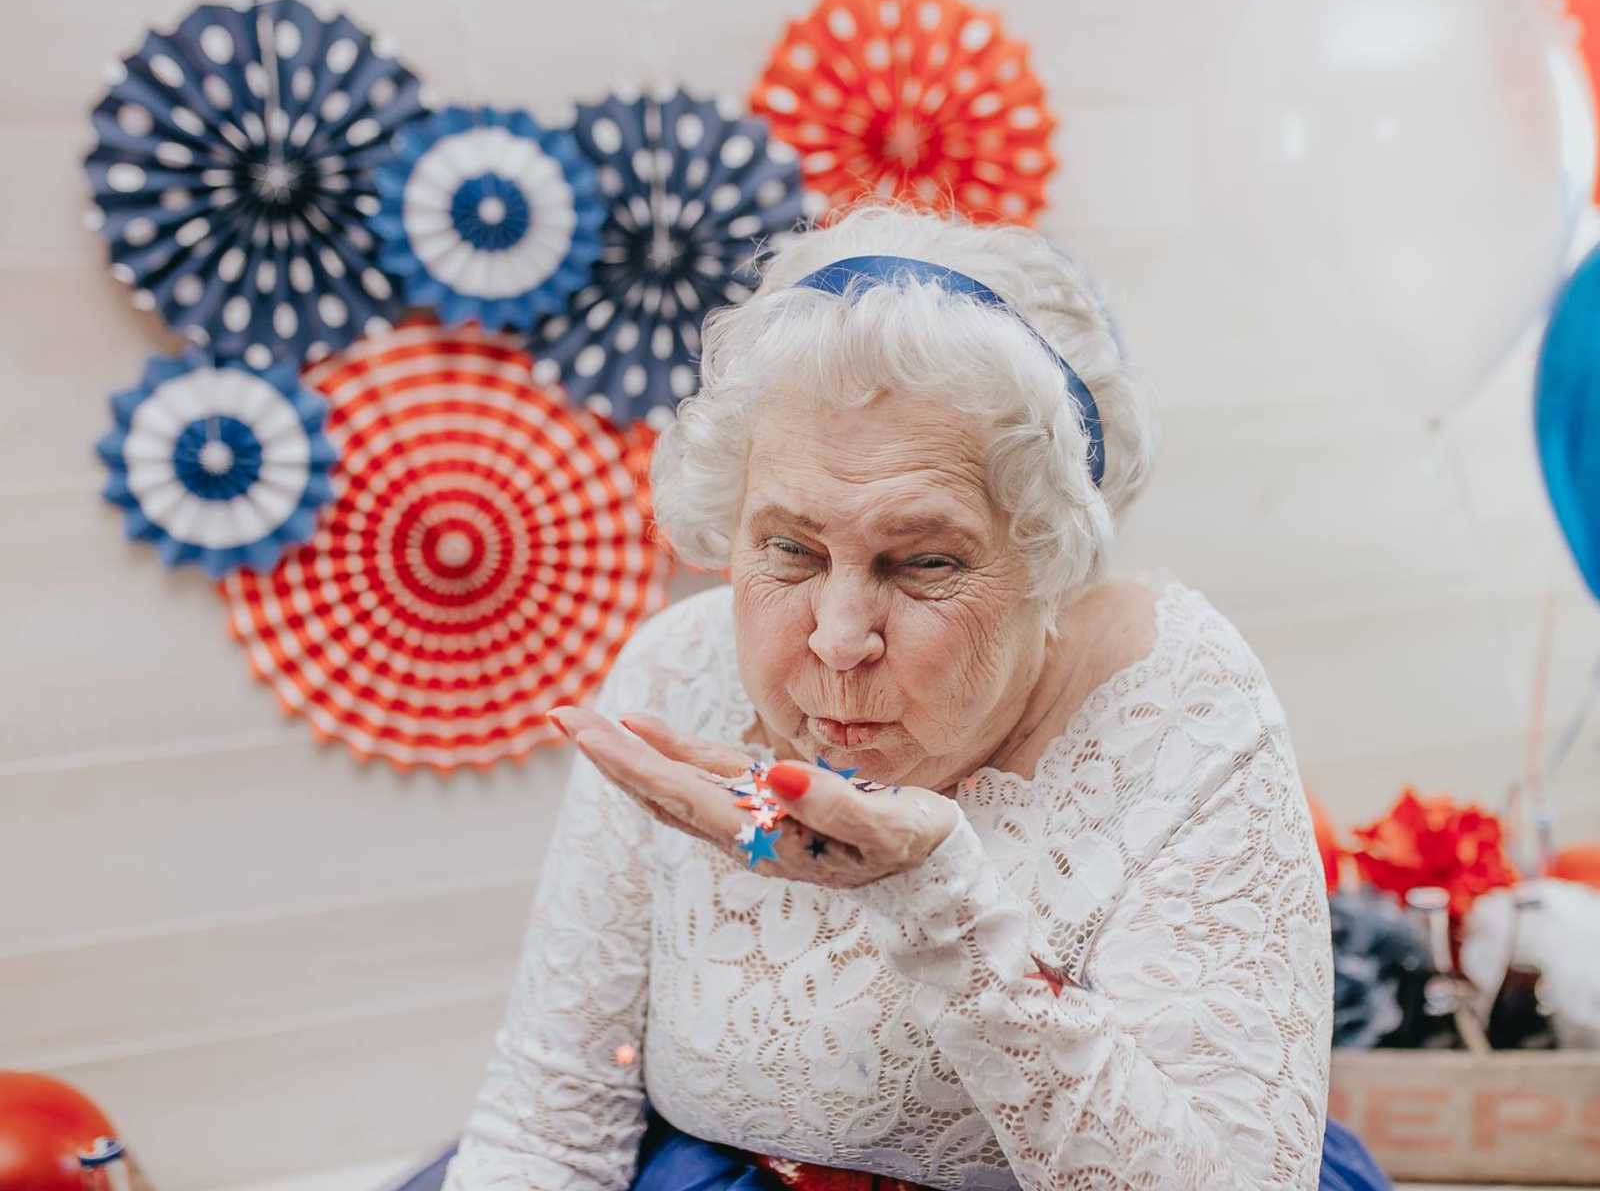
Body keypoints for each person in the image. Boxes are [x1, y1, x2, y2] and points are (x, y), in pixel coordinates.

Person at [440, 201, 1347, 1190]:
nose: (836, 635)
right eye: (789, 549)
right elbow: (548, 1127)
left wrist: (936, 902)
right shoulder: (675, 673)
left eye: (920, 564)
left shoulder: (1174, 700)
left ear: (1049, 565)